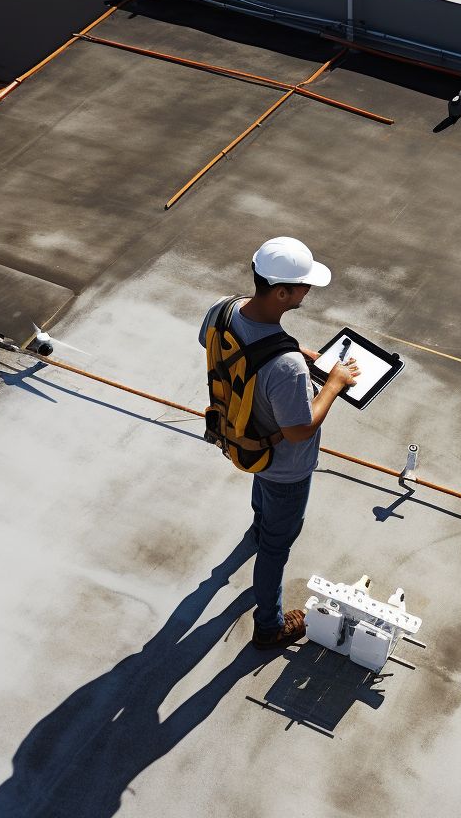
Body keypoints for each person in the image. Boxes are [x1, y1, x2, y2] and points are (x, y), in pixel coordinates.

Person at [199, 237, 359, 650]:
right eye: (304, 285)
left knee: (263, 494)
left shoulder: (223, 307)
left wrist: (290, 350)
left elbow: (213, 343)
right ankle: (269, 626)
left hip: (241, 438)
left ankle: (257, 529)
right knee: (277, 546)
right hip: (285, 464)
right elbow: (299, 430)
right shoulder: (285, 367)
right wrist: (335, 385)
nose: (309, 292)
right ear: (283, 292)